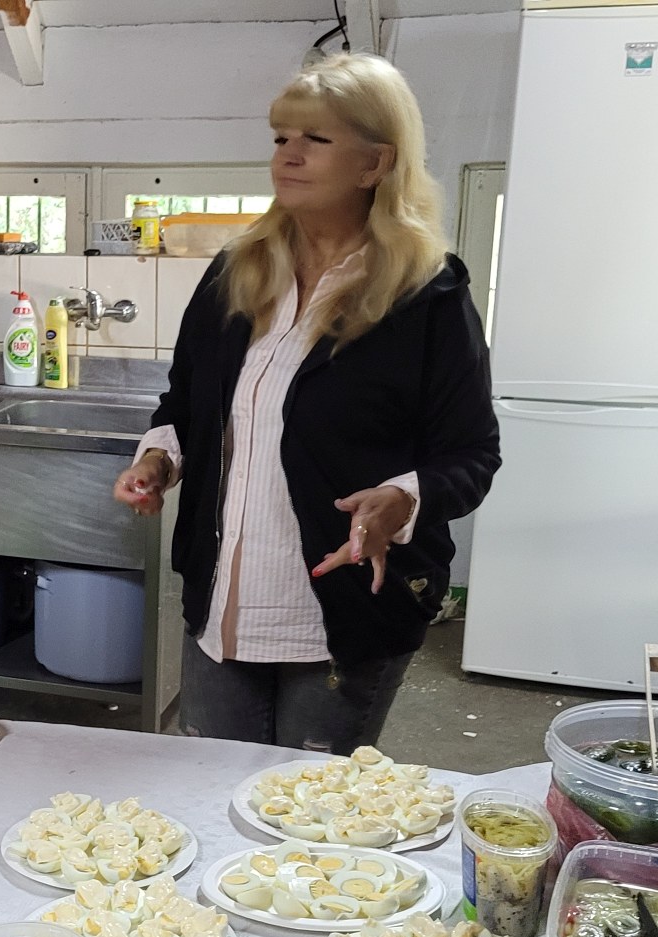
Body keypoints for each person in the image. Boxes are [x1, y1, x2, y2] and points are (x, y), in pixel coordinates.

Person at [113, 53, 501, 754]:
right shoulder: (236, 272)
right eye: (280, 137)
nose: (287, 156)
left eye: (315, 139)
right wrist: (158, 460)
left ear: (375, 164)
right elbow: (186, 404)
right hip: (223, 602)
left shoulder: (427, 294)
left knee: (310, 810)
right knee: (210, 788)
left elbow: (472, 454)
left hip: (344, 611)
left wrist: (401, 499)